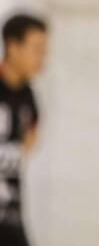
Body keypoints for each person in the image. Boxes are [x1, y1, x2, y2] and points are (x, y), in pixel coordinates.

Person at [0, 14, 46, 246]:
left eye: (45, 50)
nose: (42, 58)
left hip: (11, 216)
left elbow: (30, 141)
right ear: (13, 46)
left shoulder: (28, 96)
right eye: (36, 49)